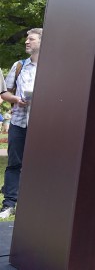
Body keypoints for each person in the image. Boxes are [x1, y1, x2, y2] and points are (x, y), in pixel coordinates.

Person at [0, 28, 42, 219]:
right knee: (14, 163)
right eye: (26, 39)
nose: (27, 42)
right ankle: (9, 204)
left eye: (31, 39)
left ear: (42, 42)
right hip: (18, 123)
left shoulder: (54, 66)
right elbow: (4, 93)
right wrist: (16, 99)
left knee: (42, 163)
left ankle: (37, 203)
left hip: (43, 123)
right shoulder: (19, 66)